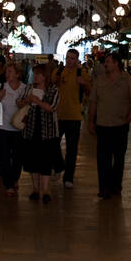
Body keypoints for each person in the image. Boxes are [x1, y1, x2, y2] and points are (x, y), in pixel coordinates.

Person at [86, 52, 131, 199]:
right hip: (103, 125)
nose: (105, 64)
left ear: (116, 63)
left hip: (120, 126)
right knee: (102, 159)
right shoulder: (100, 80)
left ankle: (116, 186)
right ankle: (104, 187)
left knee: (118, 159)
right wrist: (90, 121)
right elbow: (93, 102)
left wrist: (128, 118)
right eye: (105, 62)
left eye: (108, 62)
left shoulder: (127, 80)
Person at [20, 62, 61, 203]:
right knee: (33, 161)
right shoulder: (29, 88)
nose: (35, 77)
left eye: (38, 74)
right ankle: (35, 189)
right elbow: (19, 103)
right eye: (34, 74)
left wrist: (36, 101)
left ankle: (45, 190)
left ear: (45, 76)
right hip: (30, 129)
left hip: (47, 131)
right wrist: (27, 100)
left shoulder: (53, 90)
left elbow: (52, 107)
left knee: (46, 162)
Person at [0, 62, 27, 197]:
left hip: (18, 128)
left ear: (17, 74)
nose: (7, 74)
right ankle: (8, 184)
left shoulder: (24, 88)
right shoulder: (1, 87)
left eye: (10, 72)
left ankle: (15, 178)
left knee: (17, 157)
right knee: (4, 156)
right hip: (2, 127)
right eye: (6, 72)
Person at [54, 48, 89, 188]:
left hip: (74, 116)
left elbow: (89, 91)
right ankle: (59, 165)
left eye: (72, 58)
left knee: (72, 149)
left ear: (77, 60)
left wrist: (84, 83)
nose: (69, 60)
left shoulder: (82, 73)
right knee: (53, 143)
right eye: (68, 57)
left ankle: (68, 178)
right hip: (58, 115)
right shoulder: (58, 71)